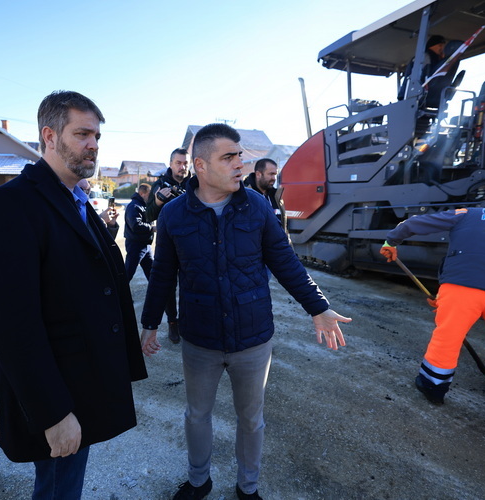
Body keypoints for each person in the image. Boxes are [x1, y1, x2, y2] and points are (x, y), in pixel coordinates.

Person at [140, 123, 351, 500]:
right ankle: (199, 481)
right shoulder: (173, 215)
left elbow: (285, 261)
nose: (240, 164)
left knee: (251, 419)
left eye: (240, 155)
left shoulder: (256, 207)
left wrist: (318, 307)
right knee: (196, 415)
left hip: (253, 340)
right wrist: (150, 323)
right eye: (228, 157)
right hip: (200, 340)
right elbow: (163, 274)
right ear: (201, 165)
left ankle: (247, 486)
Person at [0, 90, 147, 500]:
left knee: (67, 482)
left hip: (83, 382)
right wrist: (52, 413)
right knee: (57, 488)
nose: (94, 144)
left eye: (97, 136)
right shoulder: (9, 205)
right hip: (57, 393)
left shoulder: (77, 200)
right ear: (49, 136)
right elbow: (11, 323)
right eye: (82, 134)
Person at [380, 197, 485, 434]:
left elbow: (416, 223)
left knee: (447, 338)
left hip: (462, 287)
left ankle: (432, 388)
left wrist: (391, 241)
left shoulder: (470, 213)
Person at [144, 148, 190, 343]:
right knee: (168, 286)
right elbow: (148, 215)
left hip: (192, 242)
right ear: (171, 164)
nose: (182, 167)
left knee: (192, 283)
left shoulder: (196, 183)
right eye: (178, 163)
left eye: (185, 163)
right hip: (168, 243)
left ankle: (189, 321)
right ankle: (172, 322)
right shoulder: (160, 184)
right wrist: (157, 201)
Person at [243, 158, 286, 229]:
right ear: (258, 174)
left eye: (275, 174)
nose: (274, 178)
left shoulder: (276, 196)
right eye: (271, 174)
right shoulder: (245, 196)